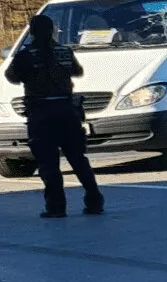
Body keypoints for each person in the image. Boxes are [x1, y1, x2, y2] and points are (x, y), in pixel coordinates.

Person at [5, 13, 102, 218]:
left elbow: (12, 77)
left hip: (41, 114)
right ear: (52, 31)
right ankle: (94, 201)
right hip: (67, 112)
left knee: (48, 163)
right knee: (78, 159)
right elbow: (77, 71)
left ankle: (56, 207)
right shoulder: (64, 52)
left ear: (31, 32)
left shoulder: (26, 55)